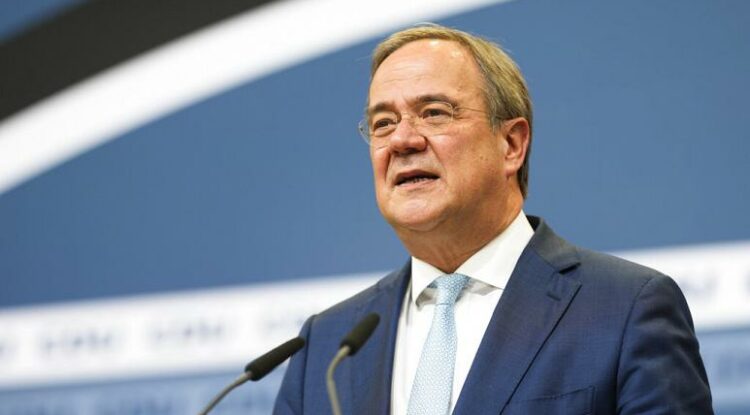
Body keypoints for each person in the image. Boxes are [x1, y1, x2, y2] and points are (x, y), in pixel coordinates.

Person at [273, 24, 712, 415]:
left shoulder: (624, 309)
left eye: (434, 113)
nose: (402, 140)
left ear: (511, 144)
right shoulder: (326, 347)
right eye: (383, 123)